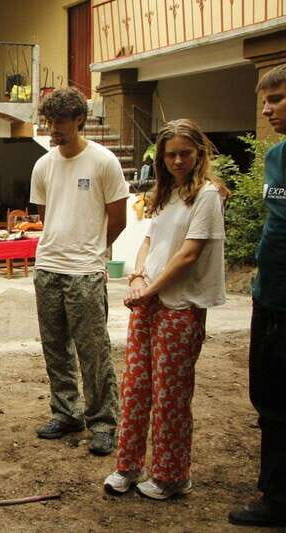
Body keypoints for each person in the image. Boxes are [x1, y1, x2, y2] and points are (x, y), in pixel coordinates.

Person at [102, 119, 228, 500]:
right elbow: (149, 242)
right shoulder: (166, 192)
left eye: (185, 153)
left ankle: (172, 476)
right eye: (170, 154)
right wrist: (138, 276)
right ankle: (127, 466)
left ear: (199, 153)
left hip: (180, 306)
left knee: (170, 394)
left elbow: (189, 255)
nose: (177, 161)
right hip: (149, 300)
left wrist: (149, 290)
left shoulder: (207, 195)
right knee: (136, 387)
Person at [30, 87, 128, 455]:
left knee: (93, 351)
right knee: (55, 348)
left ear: (79, 119)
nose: (54, 128)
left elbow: (117, 219)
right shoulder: (44, 165)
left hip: (85, 271)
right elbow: (46, 216)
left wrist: (93, 251)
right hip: (48, 268)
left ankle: (103, 422)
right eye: (50, 121)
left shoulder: (103, 161)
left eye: (60, 121)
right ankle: (66, 412)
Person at [229, 64, 286, 528]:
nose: (267, 110)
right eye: (264, 101)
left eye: (278, 99)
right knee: (269, 400)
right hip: (269, 299)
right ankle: (277, 492)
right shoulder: (276, 156)